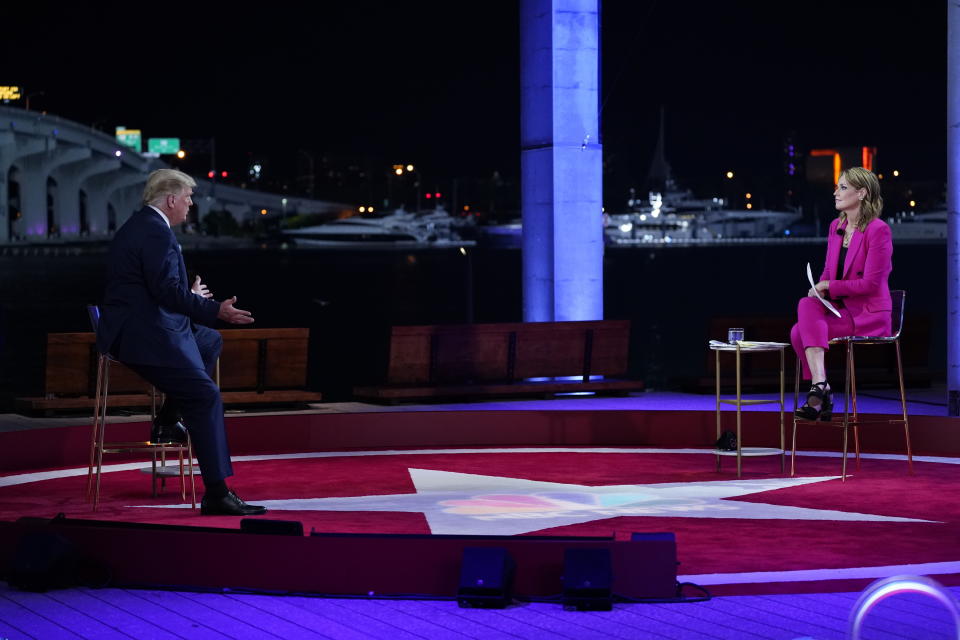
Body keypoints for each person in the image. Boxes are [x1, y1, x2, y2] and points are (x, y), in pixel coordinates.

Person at [96, 168, 267, 516]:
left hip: (141, 324)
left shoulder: (143, 226)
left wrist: (191, 299)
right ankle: (217, 493)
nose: (190, 204)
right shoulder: (156, 233)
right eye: (188, 197)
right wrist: (213, 308)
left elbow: (154, 289)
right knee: (205, 395)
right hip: (142, 335)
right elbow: (166, 291)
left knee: (209, 341)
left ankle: (168, 418)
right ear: (171, 199)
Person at [790, 166, 893, 420]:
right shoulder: (836, 226)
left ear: (861, 193)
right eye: (837, 187)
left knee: (798, 331)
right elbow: (828, 270)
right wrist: (821, 288)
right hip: (840, 309)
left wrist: (829, 287)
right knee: (807, 303)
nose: (836, 192)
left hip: (868, 314)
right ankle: (821, 385)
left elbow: (870, 284)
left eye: (843, 187)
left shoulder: (877, 230)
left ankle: (819, 393)